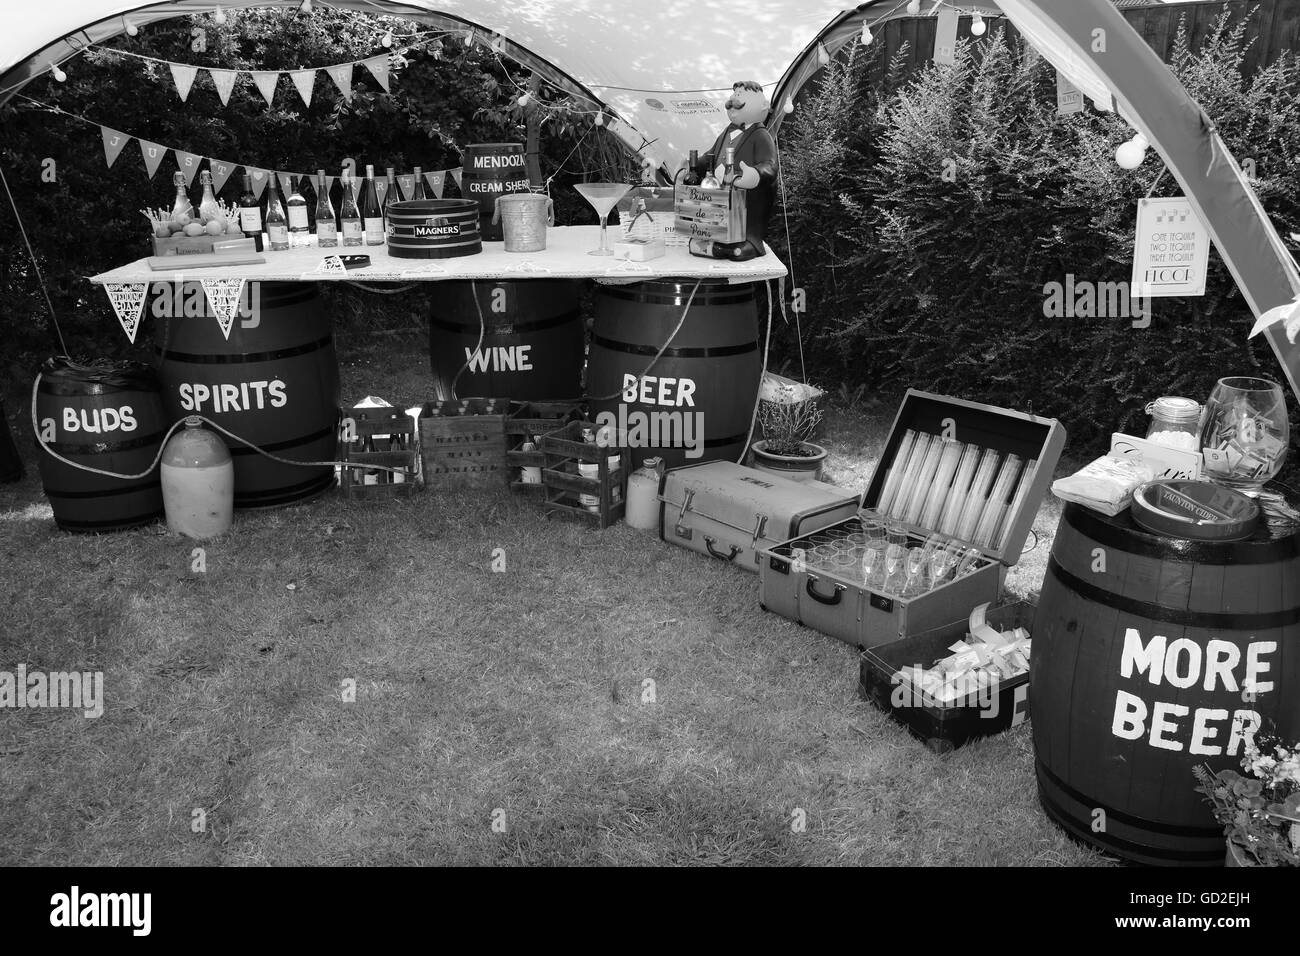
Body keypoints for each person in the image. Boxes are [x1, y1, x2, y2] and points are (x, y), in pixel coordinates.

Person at [681, 80, 778, 261]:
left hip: (749, 202)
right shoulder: (726, 132)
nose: (733, 100)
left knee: (746, 223)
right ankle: (719, 241)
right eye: (734, 96)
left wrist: (756, 175)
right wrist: (691, 165)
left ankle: (751, 242)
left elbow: (770, 165)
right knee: (718, 221)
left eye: (740, 96)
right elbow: (710, 156)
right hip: (722, 200)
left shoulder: (761, 135)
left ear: (763, 106)